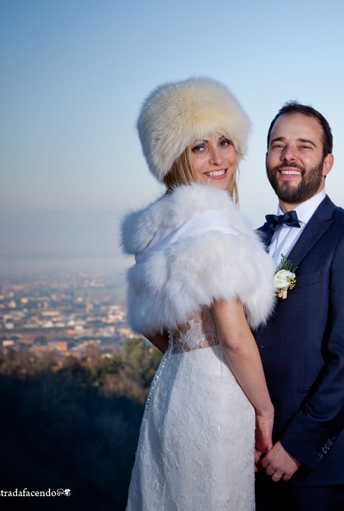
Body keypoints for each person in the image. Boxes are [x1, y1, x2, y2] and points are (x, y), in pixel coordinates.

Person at [122, 77, 276, 510]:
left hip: (171, 389)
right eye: (198, 147)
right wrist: (264, 411)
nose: (217, 158)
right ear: (173, 157)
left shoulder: (154, 231)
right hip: (218, 396)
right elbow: (234, 336)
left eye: (224, 141)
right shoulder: (213, 222)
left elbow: (155, 330)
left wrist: (188, 352)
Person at [255, 102, 344, 510]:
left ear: (327, 162)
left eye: (304, 146)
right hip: (254, 452)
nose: (288, 155)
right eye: (278, 145)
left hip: (322, 464)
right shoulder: (253, 240)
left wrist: (297, 445)